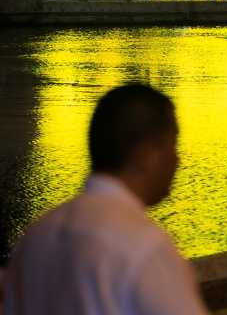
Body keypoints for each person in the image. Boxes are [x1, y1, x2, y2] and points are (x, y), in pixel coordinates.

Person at [3, 84, 209, 315]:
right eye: (172, 145)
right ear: (145, 153)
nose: (177, 160)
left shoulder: (37, 236)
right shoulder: (143, 247)